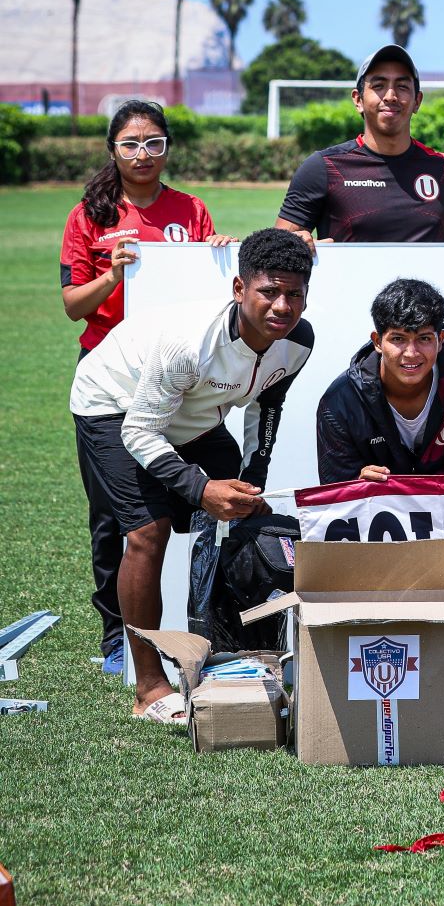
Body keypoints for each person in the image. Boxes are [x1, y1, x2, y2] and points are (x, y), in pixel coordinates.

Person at [69, 229, 315, 721]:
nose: (282, 306)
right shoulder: (190, 342)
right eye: (269, 291)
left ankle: (230, 646)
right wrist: (201, 490)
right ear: (239, 288)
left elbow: (269, 405)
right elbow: (140, 433)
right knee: (147, 532)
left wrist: (252, 474)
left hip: (187, 417)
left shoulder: (299, 340)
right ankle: (149, 688)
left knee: (249, 511)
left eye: (295, 293)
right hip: (113, 406)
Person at [60, 100, 234, 673]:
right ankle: (118, 637)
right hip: (113, 376)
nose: (142, 154)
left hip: (180, 378)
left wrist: (218, 254)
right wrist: (111, 274)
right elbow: (71, 305)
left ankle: (208, 620)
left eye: (154, 143)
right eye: (131, 144)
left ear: (167, 148)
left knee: (195, 501)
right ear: (113, 149)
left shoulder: (191, 208)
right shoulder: (90, 214)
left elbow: (212, 294)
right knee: (116, 517)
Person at [276, 44, 444, 243]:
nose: (390, 96)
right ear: (358, 100)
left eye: (402, 87)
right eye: (378, 86)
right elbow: (278, 246)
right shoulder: (322, 167)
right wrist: (298, 244)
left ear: (417, 101)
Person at [316, 278, 444, 484]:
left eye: (424, 338)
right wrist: (357, 486)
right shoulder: (340, 403)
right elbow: (334, 494)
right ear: (378, 342)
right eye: (398, 339)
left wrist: (398, 490)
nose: (411, 353)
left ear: (440, 340)